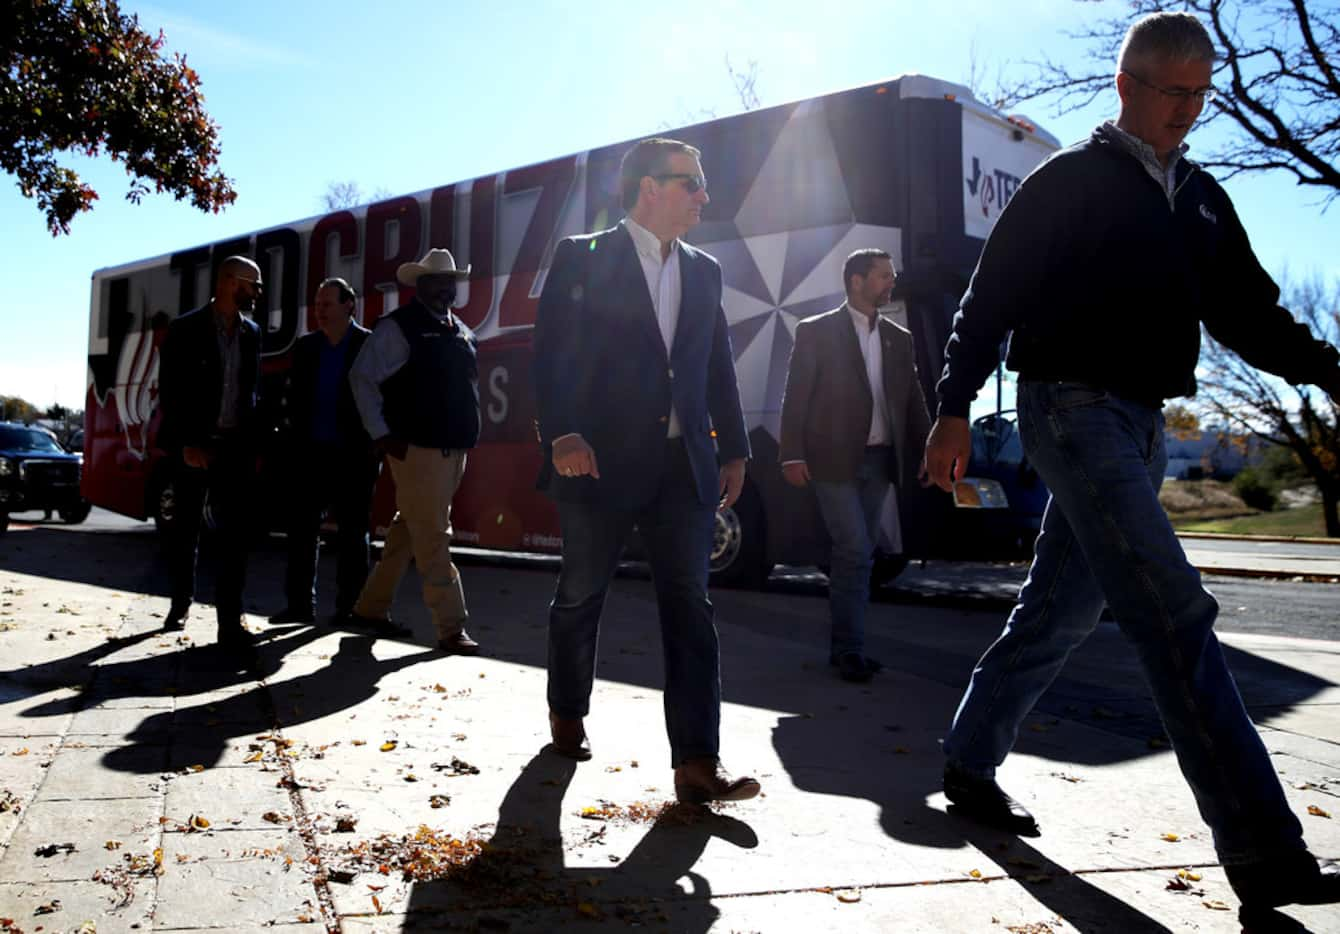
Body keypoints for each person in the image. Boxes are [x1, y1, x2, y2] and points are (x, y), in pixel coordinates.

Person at [924, 12, 1340, 912]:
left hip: (1143, 425)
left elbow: (1252, 315)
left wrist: (1333, 371)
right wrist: (952, 409)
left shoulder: (1198, 197)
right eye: (1174, 92)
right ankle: (1267, 852)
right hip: (1069, 407)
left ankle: (968, 758)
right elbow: (984, 300)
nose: (1190, 111)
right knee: (1173, 611)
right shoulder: (1068, 181)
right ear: (1128, 86)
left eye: (1203, 93)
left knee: (1060, 613)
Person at [533, 137, 760, 805]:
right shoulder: (584, 255)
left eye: (701, 184)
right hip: (596, 461)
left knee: (691, 607)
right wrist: (564, 431)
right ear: (647, 189)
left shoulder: (705, 270)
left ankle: (697, 763)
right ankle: (567, 709)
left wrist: (735, 447)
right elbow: (552, 354)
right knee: (580, 595)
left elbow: (715, 362)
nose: (702, 197)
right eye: (689, 184)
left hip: (679, 466)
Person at [778, 248, 930, 683]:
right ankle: (850, 650)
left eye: (892, 276)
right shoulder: (816, 331)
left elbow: (913, 400)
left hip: (881, 461)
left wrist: (925, 451)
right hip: (832, 461)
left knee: (854, 556)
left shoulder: (899, 338)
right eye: (883, 275)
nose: (891, 282)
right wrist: (791, 453)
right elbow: (796, 397)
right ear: (856, 281)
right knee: (856, 550)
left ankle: (846, 648)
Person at [346, 249, 481, 654]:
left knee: (410, 530)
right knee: (435, 537)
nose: (445, 286)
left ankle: (369, 609)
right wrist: (381, 433)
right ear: (419, 285)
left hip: (454, 451)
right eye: (437, 280)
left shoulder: (462, 330)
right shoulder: (397, 327)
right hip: (419, 451)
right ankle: (450, 626)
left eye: (450, 280)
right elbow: (362, 378)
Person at [156, 255, 264, 652]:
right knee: (186, 530)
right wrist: (186, 444)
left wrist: (254, 445)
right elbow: (171, 392)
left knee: (236, 537)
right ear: (228, 282)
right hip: (194, 446)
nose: (257, 292)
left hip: (235, 449)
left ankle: (228, 622)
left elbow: (252, 392)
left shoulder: (252, 333)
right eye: (253, 284)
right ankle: (180, 602)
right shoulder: (185, 330)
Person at [269, 278, 378, 627]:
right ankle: (299, 606)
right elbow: (294, 401)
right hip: (310, 455)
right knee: (302, 532)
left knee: (352, 536)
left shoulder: (368, 345)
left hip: (354, 456)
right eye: (317, 304)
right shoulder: (306, 347)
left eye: (327, 303)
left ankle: (351, 607)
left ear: (349, 305)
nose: (320, 310)